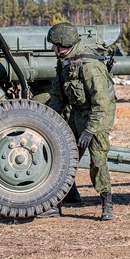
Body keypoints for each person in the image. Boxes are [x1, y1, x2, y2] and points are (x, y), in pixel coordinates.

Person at [45, 22, 116, 220]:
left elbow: (102, 103)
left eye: (54, 45)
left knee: (98, 161)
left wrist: (90, 130)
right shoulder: (65, 61)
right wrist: (49, 123)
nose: (52, 49)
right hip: (77, 113)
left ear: (63, 44)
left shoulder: (89, 66)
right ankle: (62, 199)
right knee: (65, 156)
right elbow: (58, 96)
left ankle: (106, 204)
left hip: (98, 116)